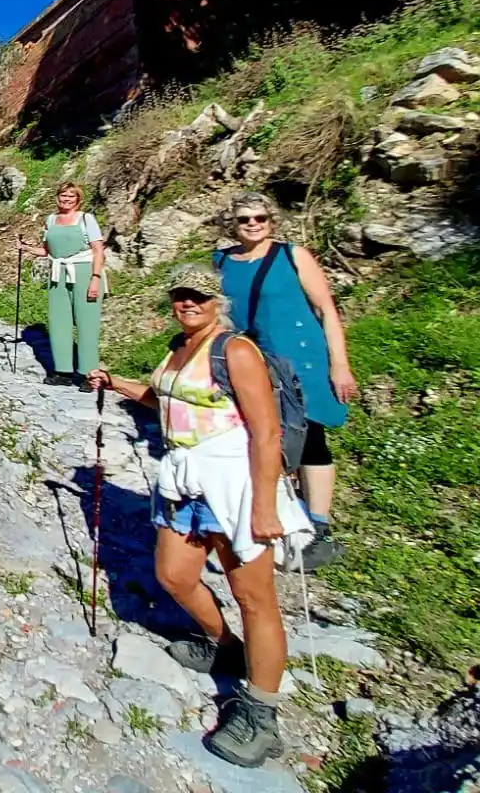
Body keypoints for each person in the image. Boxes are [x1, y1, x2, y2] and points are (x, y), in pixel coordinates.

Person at [88, 263, 313, 768]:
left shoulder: (235, 350)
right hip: (184, 480)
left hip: (234, 483)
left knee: (253, 596)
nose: (188, 303)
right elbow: (164, 400)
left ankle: (262, 712)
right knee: (174, 575)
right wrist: (116, 382)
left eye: (199, 297)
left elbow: (267, 431)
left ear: (217, 302)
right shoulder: (178, 348)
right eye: (181, 296)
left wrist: (262, 505)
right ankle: (226, 646)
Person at [213, 192, 358, 571]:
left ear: (271, 220)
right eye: (245, 219)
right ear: (233, 222)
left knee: (311, 434)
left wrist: (339, 364)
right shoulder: (221, 261)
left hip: (302, 359)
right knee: (259, 433)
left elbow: (326, 308)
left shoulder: (293, 256)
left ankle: (318, 525)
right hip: (254, 360)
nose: (253, 224)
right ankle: (273, 512)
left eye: (260, 217)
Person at [34, 182, 106, 387]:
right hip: (58, 273)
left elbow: (98, 250)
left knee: (87, 324)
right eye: (63, 195)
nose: (66, 199)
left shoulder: (86, 219)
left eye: (71, 196)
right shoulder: (51, 219)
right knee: (58, 323)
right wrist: (25, 248)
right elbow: (47, 250)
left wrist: (95, 278)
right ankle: (62, 372)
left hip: (83, 272)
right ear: (57, 197)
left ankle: (88, 375)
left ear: (78, 199)